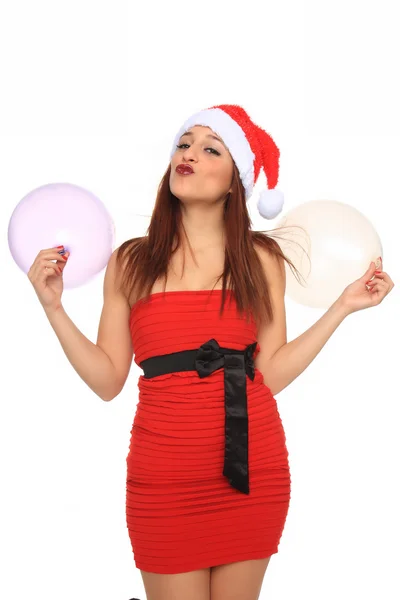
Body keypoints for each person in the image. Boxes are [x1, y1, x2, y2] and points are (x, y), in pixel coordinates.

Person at [28, 104, 394, 600]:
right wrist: (53, 308)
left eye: (210, 148)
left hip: (251, 473)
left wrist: (341, 307)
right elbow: (108, 380)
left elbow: (272, 372)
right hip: (164, 475)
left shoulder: (261, 259)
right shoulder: (131, 261)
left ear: (234, 182)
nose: (189, 154)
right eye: (184, 144)